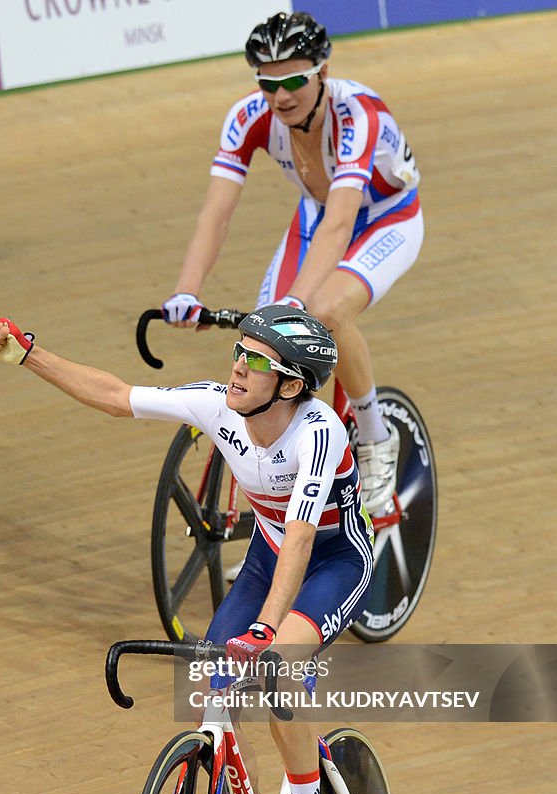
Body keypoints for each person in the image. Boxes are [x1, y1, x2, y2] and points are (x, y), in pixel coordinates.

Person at [0, 307, 373, 794]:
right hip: (270, 555)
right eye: (239, 351)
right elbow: (117, 396)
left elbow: (300, 540)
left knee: (276, 667)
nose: (237, 366)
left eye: (256, 360)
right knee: (211, 686)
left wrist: (264, 633)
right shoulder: (219, 406)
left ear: (291, 385)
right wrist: (29, 355)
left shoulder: (318, 431)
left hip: (331, 561)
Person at [161, 10, 423, 513]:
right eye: (268, 82)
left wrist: (297, 303)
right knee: (266, 344)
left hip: (384, 218)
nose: (280, 96)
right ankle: (275, 506)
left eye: (295, 80)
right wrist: (185, 291)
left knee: (323, 313)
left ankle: (373, 435)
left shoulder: (358, 115)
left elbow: (341, 226)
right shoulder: (247, 118)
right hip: (317, 215)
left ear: (322, 72)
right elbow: (216, 215)